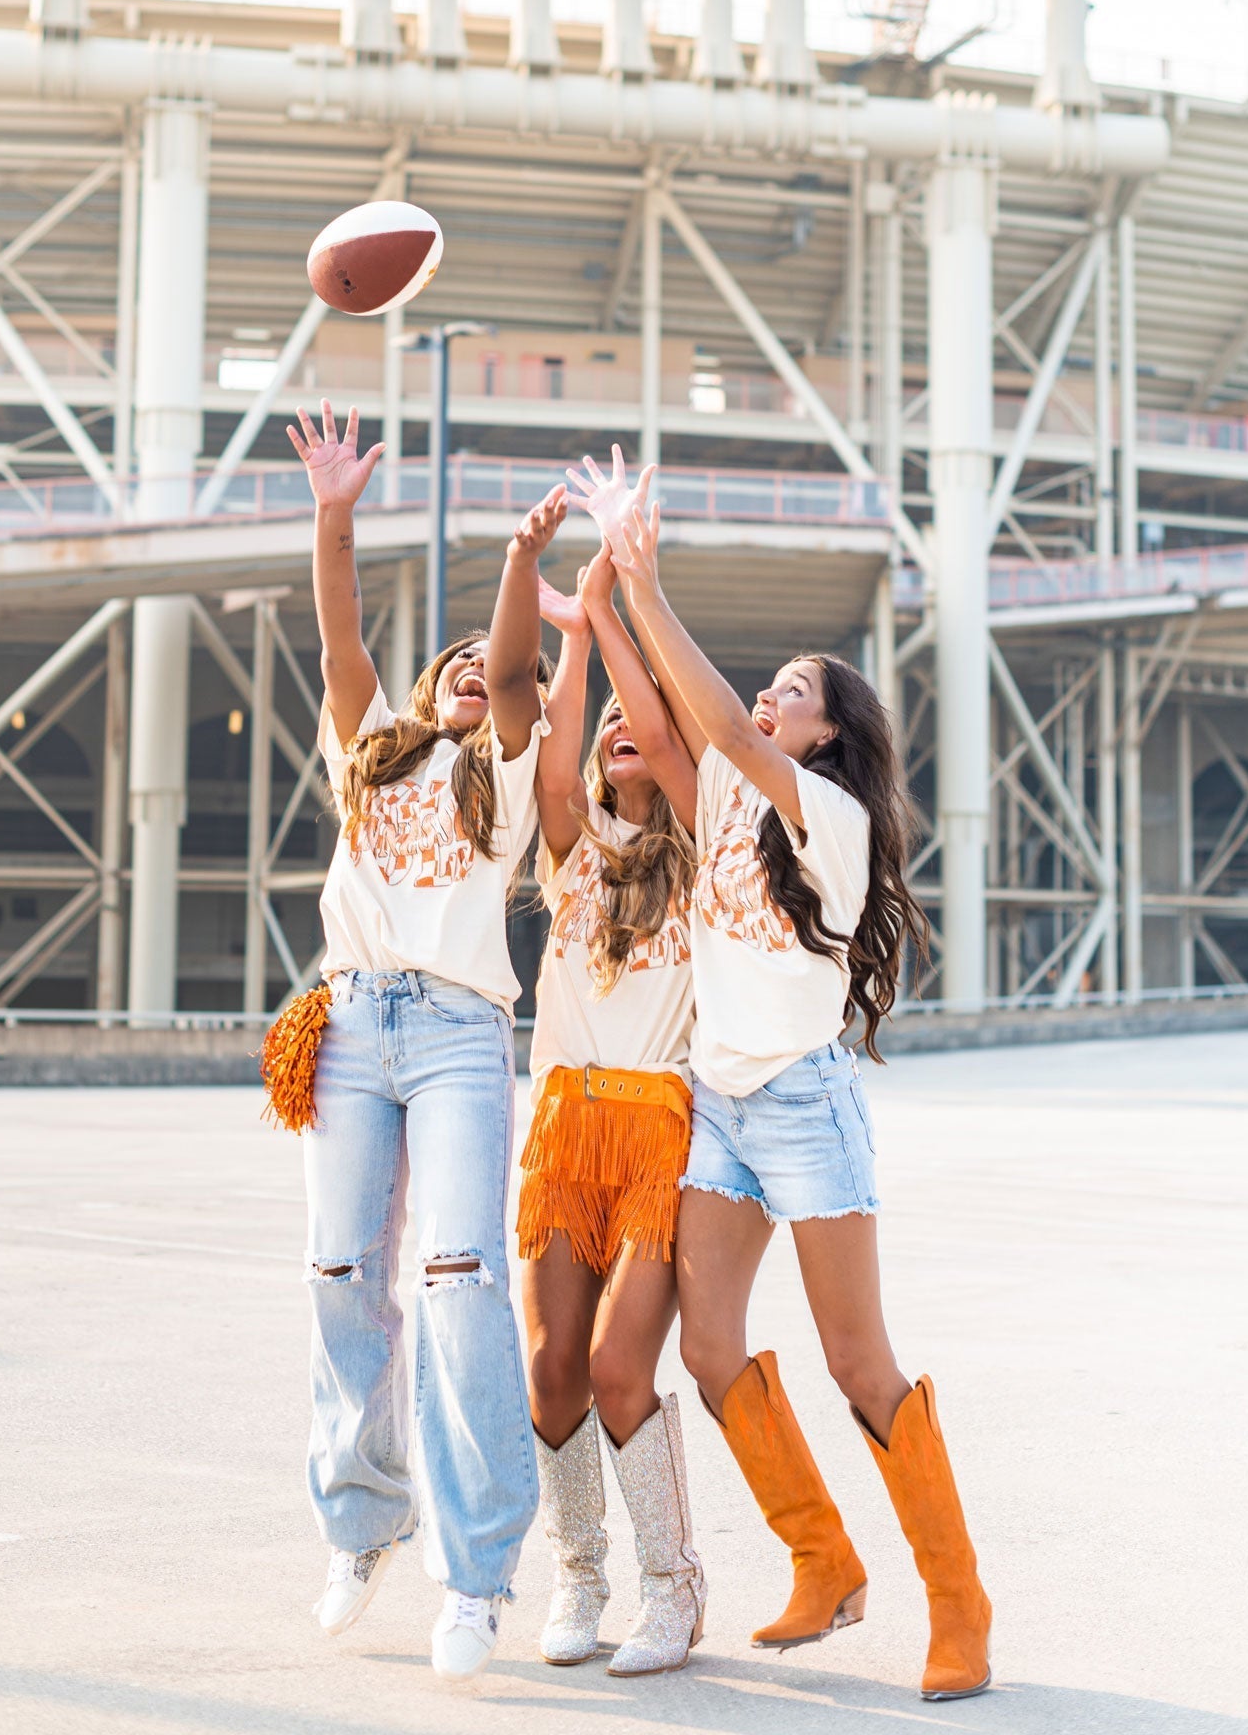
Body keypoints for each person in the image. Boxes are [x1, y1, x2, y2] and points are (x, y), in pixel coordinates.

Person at [572, 449, 992, 1704]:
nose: (767, 696)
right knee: (707, 1347)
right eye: (771, 684)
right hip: (722, 1107)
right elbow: (659, 723)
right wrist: (600, 604)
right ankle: (823, 1558)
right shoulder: (723, 813)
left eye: (791, 690)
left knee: (861, 1362)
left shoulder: (830, 818)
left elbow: (698, 709)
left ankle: (959, 1602)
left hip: (806, 1106)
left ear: (827, 732)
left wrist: (647, 584)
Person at [285, 400, 564, 1683]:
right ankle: (363, 1515)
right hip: (350, 1021)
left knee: (455, 1279)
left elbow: (515, 670)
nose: (470, 674)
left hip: (455, 1031)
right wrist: (335, 510)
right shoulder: (374, 758)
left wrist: (518, 561)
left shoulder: (499, 776)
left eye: (484, 673)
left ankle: (478, 1574)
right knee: (343, 1273)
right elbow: (341, 630)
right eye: (448, 662)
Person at [520, 545, 705, 1678]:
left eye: (635, 729)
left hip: (657, 1132)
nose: (618, 736)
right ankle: (578, 1570)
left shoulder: (699, 855)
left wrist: (612, 601)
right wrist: (575, 636)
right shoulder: (575, 855)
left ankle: (674, 1586)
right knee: (552, 1365)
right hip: (563, 1131)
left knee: (620, 1365)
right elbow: (552, 763)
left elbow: (673, 736)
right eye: (606, 734)